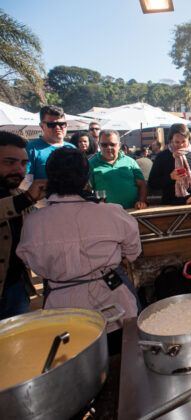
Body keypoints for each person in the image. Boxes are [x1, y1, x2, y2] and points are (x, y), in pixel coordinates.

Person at [17, 148, 141, 355]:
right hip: (113, 299)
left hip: (61, 304)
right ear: (86, 178)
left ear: (49, 178)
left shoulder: (33, 222)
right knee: (123, 358)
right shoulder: (112, 213)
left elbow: (31, 263)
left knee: (74, 362)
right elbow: (133, 252)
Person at [0, 132, 47, 320]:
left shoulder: (20, 194)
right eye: (9, 162)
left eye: (23, 163)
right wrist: (26, 199)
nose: (19, 170)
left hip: (16, 288)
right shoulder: (23, 198)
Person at [88, 130, 147, 210]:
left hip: (131, 211)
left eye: (112, 144)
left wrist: (141, 201)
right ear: (99, 145)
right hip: (106, 214)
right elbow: (88, 189)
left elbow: (142, 184)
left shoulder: (130, 161)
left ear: (119, 145)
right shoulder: (91, 163)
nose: (108, 148)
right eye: (104, 145)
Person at [26, 105, 76, 181]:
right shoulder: (31, 148)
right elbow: (26, 182)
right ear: (42, 126)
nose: (58, 128)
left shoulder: (72, 148)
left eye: (61, 124)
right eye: (52, 125)